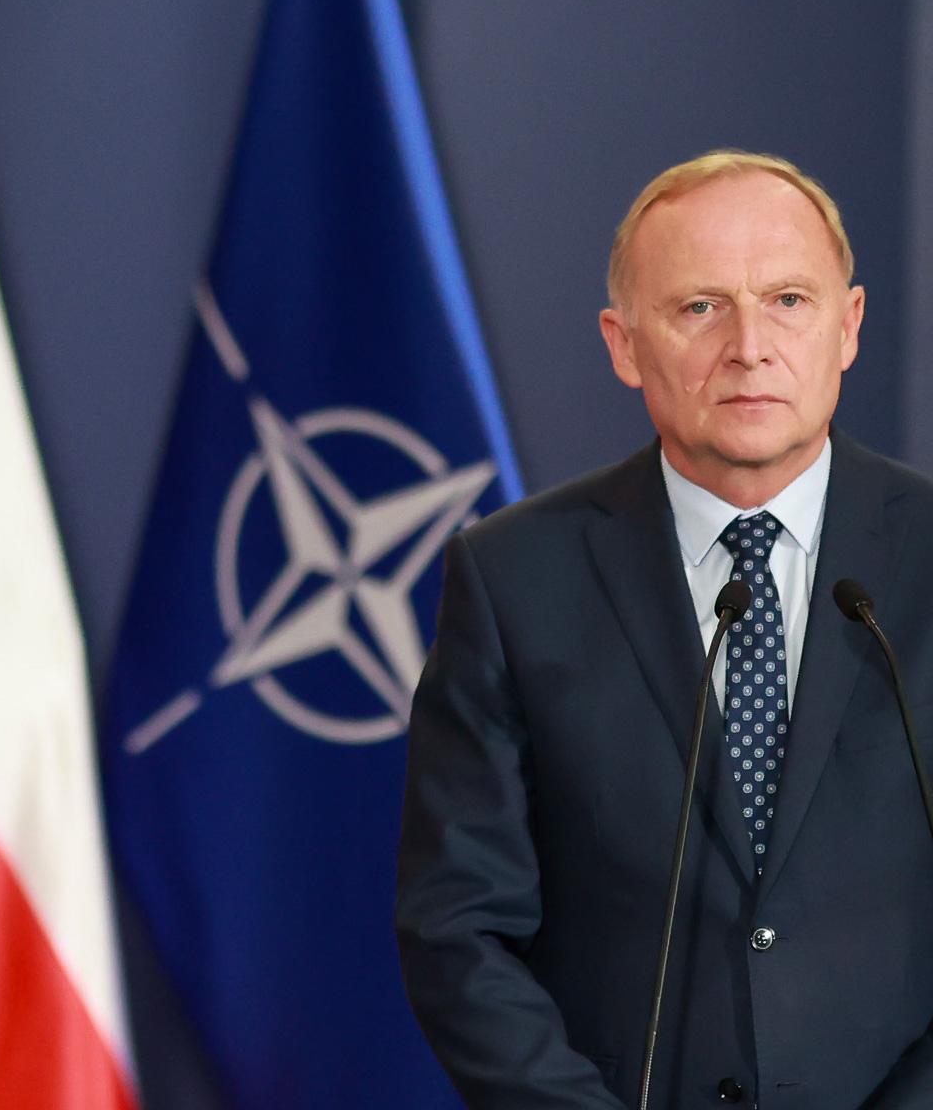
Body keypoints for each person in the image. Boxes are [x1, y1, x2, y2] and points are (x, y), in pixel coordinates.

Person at [396, 149, 933, 1108]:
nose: (749, 346)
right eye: (700, 307)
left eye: (788, 301)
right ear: (624, 344)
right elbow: (459, 926)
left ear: (849, 326)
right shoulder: (514, 577)